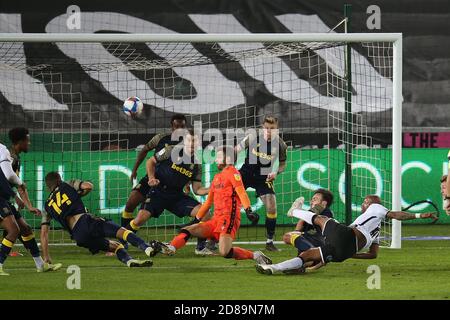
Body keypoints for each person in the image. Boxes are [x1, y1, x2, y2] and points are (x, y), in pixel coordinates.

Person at [256, 194, 437, 275]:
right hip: (344, 251)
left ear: (372, 204)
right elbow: (373, 255)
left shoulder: (377, 207)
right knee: (306, 256)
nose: (364, 204)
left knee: (319, 219)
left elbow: (397, 215)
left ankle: (295, 211)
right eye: (365, 202)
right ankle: (273, 268)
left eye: (366, 201)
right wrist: (352, 254)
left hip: (347, 235)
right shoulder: (376, 231)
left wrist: (419, 215)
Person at [152, 146, 272, 265]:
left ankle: (255, 255)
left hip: (229, 219)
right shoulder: (217, 178)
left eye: (219, 157)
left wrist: (248, 210)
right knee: (189, 229)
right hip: (216, 220)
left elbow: (241, 192)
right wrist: (196, 219)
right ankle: (171, 248)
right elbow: (208, 203)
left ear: (228, 158)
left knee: (225, 252)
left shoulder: (233, 172)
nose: (215, 160)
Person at [124, 129, 211, 253]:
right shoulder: (170, 150)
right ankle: (121, 242)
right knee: (140, 218)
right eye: (189, 141)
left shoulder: (196, 165)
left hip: (176, 196)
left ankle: (201, 247)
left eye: (195, 142)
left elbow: (197, 189)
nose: (192, 144)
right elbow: (151, 161)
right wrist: (151, 178)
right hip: (158, 191)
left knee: (205, 213)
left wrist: (212, 189)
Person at [43, 172, 155, 268]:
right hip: (86, 222)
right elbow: (88, 186)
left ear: (48, 187)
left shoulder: (47, 206)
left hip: (79, 236)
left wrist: (46, 256)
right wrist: (78, 195)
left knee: (114, 246)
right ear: (59, 180)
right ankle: (146, 248)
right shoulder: (66, 185)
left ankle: (129, 261)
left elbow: (44, 234)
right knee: (122, 232)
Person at [0, 129, 61, 276]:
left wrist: (28, 206)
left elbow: (19, 186)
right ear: (20, 142)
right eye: (27, 140)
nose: (29, 143)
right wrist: (17, 197)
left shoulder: (15, 158)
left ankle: (41, 265)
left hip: (5, 198)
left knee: (25, 229)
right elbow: (9, 179)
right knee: (13, 230)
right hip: (1, 199)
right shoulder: (8, 156)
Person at [236, 116, 288, 251]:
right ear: (262, 128)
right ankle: (213, 239)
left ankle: (269, 242)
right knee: (228, 201)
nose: (269, 131)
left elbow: (282, 164)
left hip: (264, 178)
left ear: (277, 129)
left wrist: (276, 172)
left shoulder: (281, 145)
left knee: (272, 206)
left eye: (272, 129)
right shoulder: (252, 137)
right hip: (246, 174)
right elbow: (236, 150)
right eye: (266, 128)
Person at [282, 189, 334, 270]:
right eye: (312, 199)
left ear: (324, 203)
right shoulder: (310, 216)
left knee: (287, 237)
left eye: (315, 199)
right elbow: (302, 221)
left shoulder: (326, 212)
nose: (311, 201)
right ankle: (304, 264)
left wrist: (296, 212)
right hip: (313, 248)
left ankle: (312, 257)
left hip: (319, 242)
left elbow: (309, 216)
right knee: (303, 259)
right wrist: (296, 232)